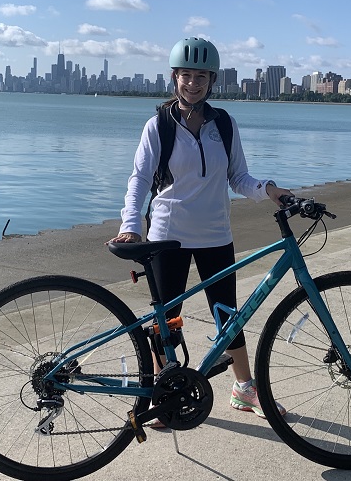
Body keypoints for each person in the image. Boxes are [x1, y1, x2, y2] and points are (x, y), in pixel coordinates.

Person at [108, 36, 293, 426]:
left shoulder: (223, 124)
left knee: (229, 318)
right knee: (167, 319)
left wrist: (269, 190)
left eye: (201, 77)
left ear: (212, 80)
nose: (193, 83)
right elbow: (139, 180)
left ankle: (244, 389)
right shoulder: (158, 125)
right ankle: (164, 392)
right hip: (166, 235)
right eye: (186, 75)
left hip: (215, 235)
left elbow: (238, 176)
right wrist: (130, 227)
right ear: (174, 78)